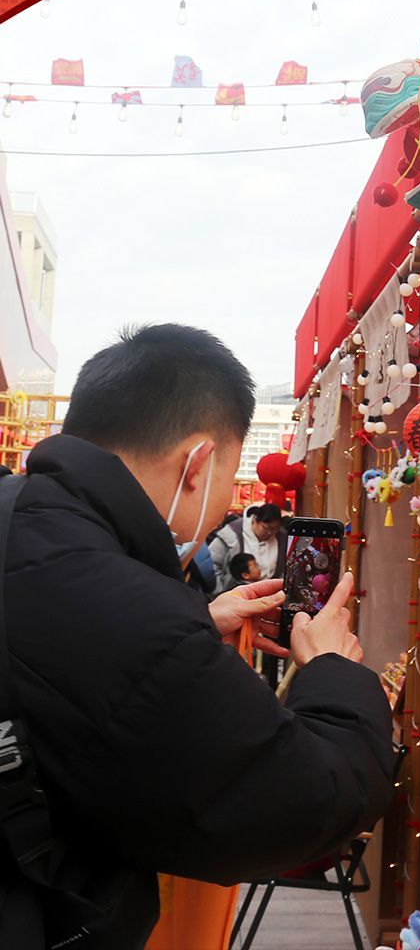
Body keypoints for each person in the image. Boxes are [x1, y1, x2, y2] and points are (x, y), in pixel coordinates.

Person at [0, 323, 394, 949]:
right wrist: (334, 672)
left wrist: (198, 621)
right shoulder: (133, 615)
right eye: (230, 474)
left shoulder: (25, 520)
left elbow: (60, 651)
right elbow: (303, 802)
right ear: (198, 463)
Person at [208, 499, 284, 592]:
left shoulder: (281, 538)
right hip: (236, 592)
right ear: (255, 520)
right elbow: (212, 564)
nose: (269, 533)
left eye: (275, 529)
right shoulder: (231, 534)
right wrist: (220, 590)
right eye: (265, 528)